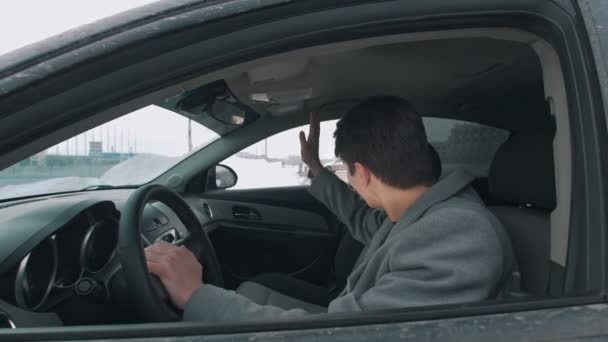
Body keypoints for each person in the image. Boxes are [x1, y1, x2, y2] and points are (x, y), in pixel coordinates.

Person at [145, 96, 517, 322]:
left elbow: (346, 335)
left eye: (347, 171)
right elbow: (362, 219)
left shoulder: (457, 233)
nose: (350, 179)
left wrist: (197, 296)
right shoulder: (419, 212)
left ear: (362, 173)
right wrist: (318, 170)